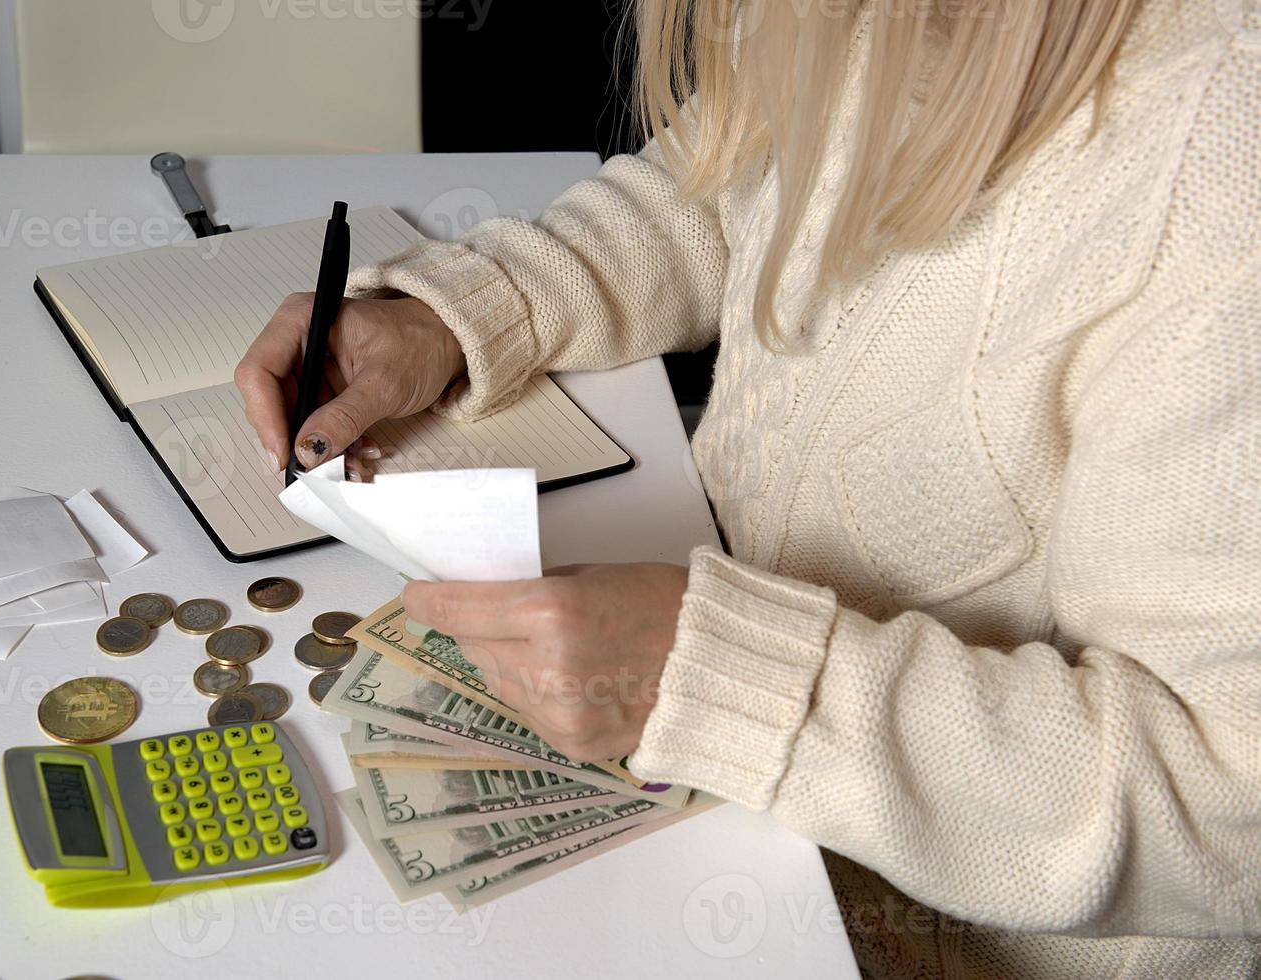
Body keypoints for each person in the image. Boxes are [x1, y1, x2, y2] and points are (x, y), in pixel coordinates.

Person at [238, 0, 1260, 974]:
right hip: (747, 820)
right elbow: (732, 178)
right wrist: (473, 309)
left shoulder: (1227, 160)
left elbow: (1230, 820)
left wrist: (734, 677)